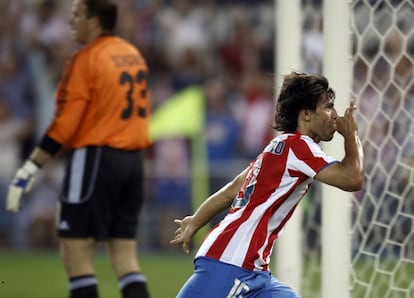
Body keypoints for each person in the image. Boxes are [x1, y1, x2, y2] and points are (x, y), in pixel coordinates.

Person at [170, 71, 365, 298]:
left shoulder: (279, 146)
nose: (335, 115)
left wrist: (196, 220)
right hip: (231, 262)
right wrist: (352, 135)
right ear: (307, 115)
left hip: (256, 272)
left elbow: (233, 189)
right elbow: (353, 178)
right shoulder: (299, 147)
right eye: (328, 107)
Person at [6, 1, 151, 298]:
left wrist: (30, 167)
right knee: (125, 257)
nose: (71, 21)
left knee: (76, 255)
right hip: (133, 163)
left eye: (77, 14)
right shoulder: (132, 54)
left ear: (95, 21)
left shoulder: (85, 59)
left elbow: (65, 125)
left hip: (95, 158)